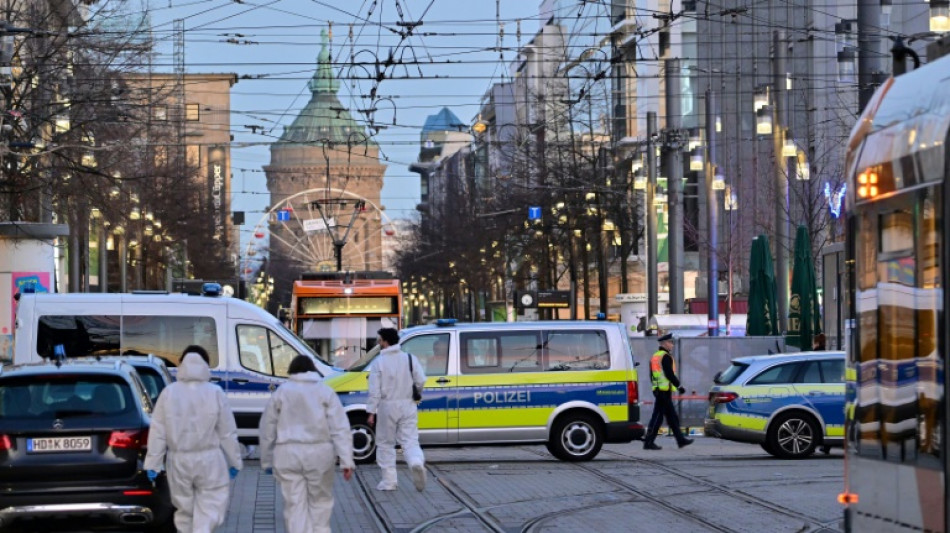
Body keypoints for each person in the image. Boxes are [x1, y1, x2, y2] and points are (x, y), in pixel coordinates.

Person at [144, 345, 243, 533]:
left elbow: (158, 432)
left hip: (178, 460)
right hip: (209, 460)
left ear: (181, 364)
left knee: (184, 511)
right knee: (210, 505)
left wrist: (153, 464)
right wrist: (234, 461)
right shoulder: (215, 392)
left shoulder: (169, 393)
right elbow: (227, 432)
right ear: (205, 364)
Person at [259, 355, 355, 533]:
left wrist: (266, 460)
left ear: (292, 371)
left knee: (294, 505)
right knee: (320, 502)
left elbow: (267, 429)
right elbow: (340, 428)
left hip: (287, 453)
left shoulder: (282, 392)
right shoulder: (325, 392)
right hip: (320, 453)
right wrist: (346, 460)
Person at [366, 327, 427, 492]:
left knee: (385, 444)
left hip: (387, 406)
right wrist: (417, 394)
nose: (379, 344)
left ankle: (389, 482)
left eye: (379, 341)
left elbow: (374, 391)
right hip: (408, 405)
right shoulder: (410, 358)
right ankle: (415, 462)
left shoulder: (378, 362)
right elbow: (421, 380)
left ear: (385, 341)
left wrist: (371, 412)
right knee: (410, 440)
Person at [642, 333, 694, 451]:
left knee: (666, 417)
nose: (672, 345)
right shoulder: (665, 357)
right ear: (664, 343)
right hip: (663, 392)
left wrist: (655, 387)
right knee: (662, 417)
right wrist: (679, 386)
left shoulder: (655, 356)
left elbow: (652, 375)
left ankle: (679, 440)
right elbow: (669, 374)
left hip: (659, 390)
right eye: (671, 342)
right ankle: (650, 441)